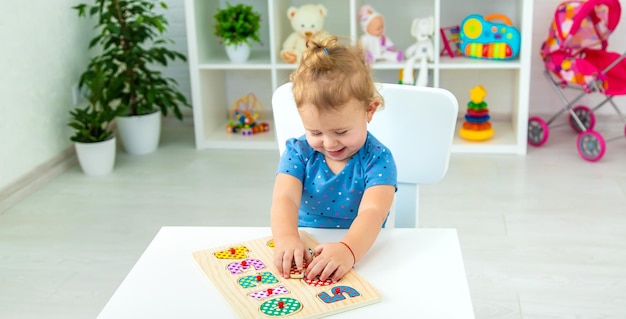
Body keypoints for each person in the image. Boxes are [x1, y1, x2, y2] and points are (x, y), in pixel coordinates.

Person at [270, 36, 397, 283]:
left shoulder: (379, 159)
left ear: (369, 110)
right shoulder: (298, 151)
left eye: (341, 132)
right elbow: (284, 198)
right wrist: (286, 238)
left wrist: (348, 249)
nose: (328, 144)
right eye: (315, 132)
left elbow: (373, 212)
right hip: (306, 245)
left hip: (362, 249)